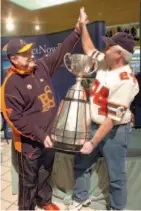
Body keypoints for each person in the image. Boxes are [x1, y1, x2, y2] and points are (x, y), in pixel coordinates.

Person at [1, 11, 87, 210]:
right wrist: (40, 135)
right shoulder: (10, 84)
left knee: (46, 172)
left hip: (50, 136)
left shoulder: (40, 66)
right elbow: (15, 119)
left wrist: (76, 32)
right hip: (29, 144)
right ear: (13, 59)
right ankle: (27, 207)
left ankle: (45, 201)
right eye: (25, 54)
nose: (31, 55)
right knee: (28, 182)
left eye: (30, 51)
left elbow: (59, 52)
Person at [67, 7, 139, 210]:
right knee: (81, 164)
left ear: (118, 55)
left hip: (114, 131)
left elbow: (112, 119)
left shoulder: (126, 80)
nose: (104, 48)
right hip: (94, 125)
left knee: (116, 175)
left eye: (109, 46)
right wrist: (83, 25)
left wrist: (92, 142)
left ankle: (117, 208)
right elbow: (89, 48)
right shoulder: (106, 62)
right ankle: (81, 198)